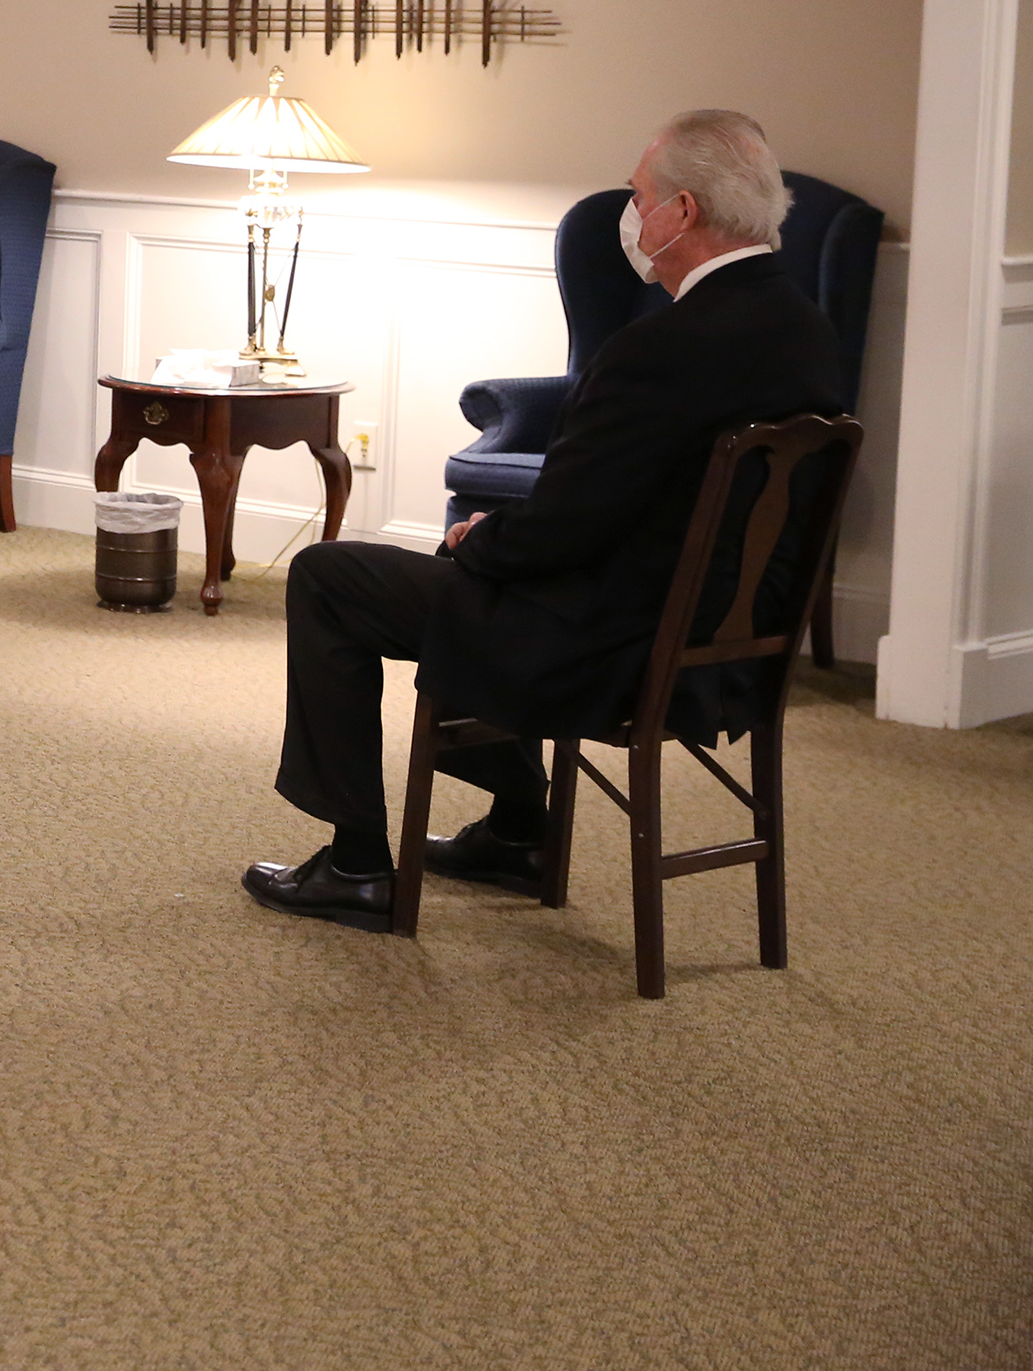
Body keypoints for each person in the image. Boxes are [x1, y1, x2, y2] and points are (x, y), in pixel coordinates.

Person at [244, 108, 847, 932]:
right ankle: (518, 832)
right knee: (465, 570)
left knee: (332, 574)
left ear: (683, 213)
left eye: (640, 197)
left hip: (613, 646)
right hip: (721, 643)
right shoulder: (806, 332)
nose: (630, 217)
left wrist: (482, 535)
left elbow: (564, 530)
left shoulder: (658, 351)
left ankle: (356, 867)